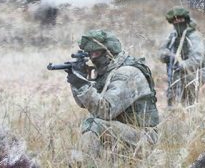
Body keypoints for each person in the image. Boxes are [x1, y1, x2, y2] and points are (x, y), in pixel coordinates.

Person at [67, 29, 159, 158]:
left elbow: (106, 110)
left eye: (96, 53)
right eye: (90, 54)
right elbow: (85, 104)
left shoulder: (126, 73)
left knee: (94, 124)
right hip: (124, 131)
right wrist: (77, 82)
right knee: (89, 123)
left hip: (143, 137)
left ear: (109, 52)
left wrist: (82, 85)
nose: (92, 58)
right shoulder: (107, 69)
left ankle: (81, 163)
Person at [158, 7, 205, 106]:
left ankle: (190, 108)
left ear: (185, 20)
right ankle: (173, 109)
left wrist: (182, 64)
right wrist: (166, 56)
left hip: (197, 71)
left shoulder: (194, 36)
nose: (177, 22)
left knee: (188, 89)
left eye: (180, 19)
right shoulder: (173, 36)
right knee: (172, 92)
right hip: (178, 71)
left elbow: (197, 59)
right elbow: (161, 51)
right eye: (175, 20)